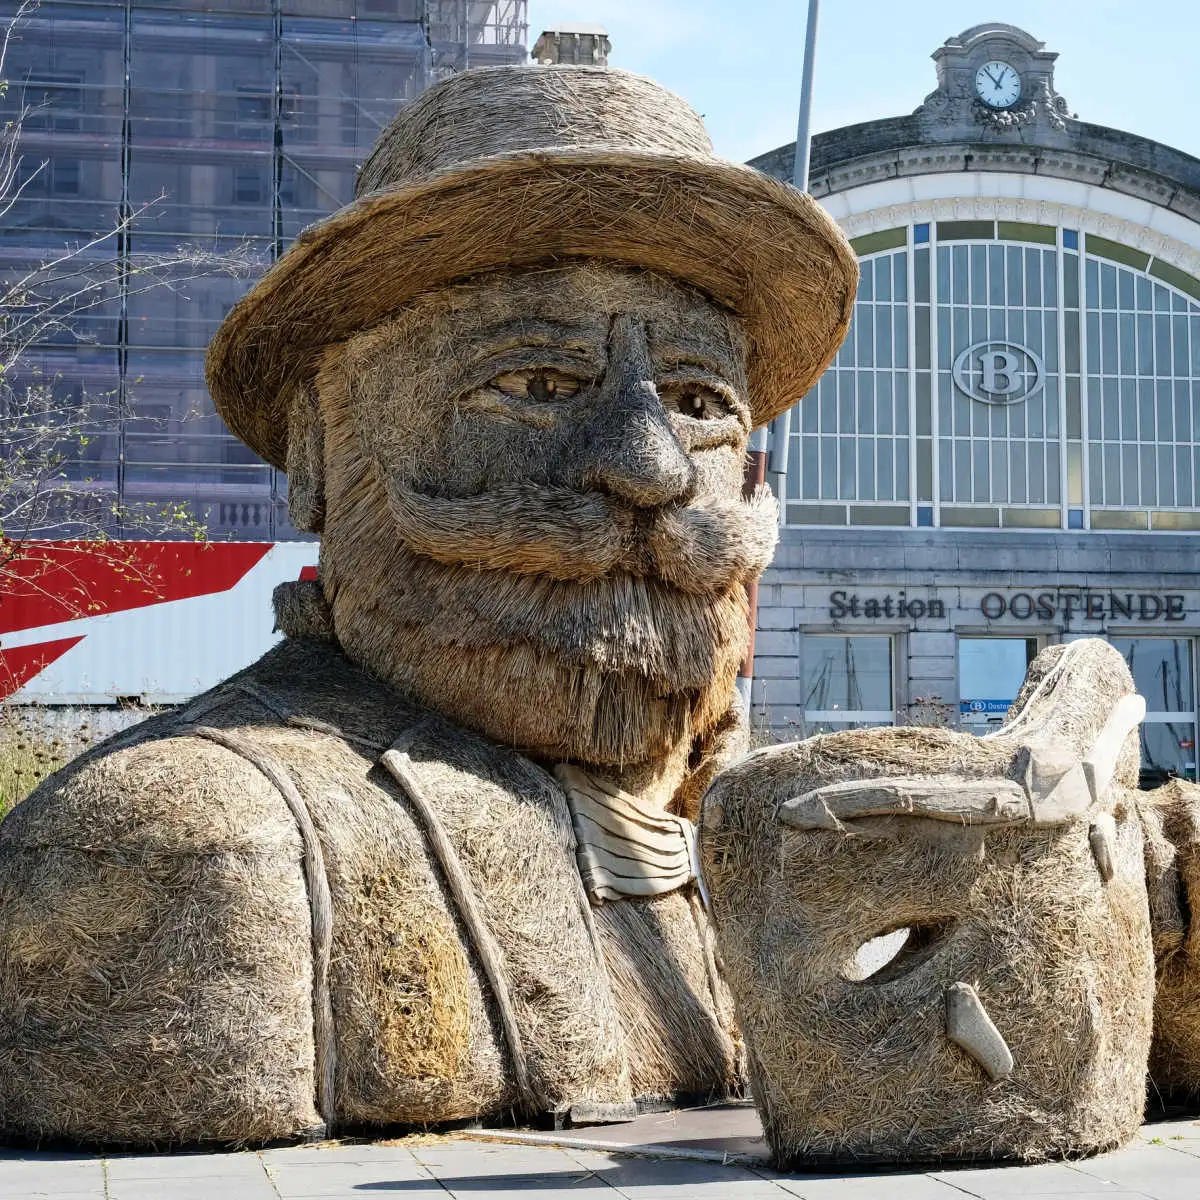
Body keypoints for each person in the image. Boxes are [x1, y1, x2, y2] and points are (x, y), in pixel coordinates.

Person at [0, 64, 855, 1145]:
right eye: (537, 386)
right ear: (320, 446)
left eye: (698, 405)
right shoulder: (205, 853)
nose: (650, 469)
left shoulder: (759, 831)